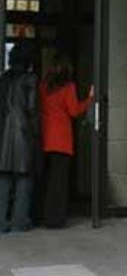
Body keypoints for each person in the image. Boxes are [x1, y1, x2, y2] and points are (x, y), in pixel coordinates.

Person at [40, 54, 93, 228]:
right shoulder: (69, 87)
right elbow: (74, 111)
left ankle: (45, 216)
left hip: (46, 139)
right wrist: (90, 99)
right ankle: (56, 220)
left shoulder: (44, 86)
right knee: (60, 182)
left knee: (48, 180)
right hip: (62, 140)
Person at [0, 43, 40, 233]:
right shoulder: (30, 79)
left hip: (4, 133)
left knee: (4, 178)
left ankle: (1, 221)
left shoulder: (4, 79)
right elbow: (32, 110)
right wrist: (37, 133)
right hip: (23, 133)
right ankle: (19, 221)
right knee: (25, 179)